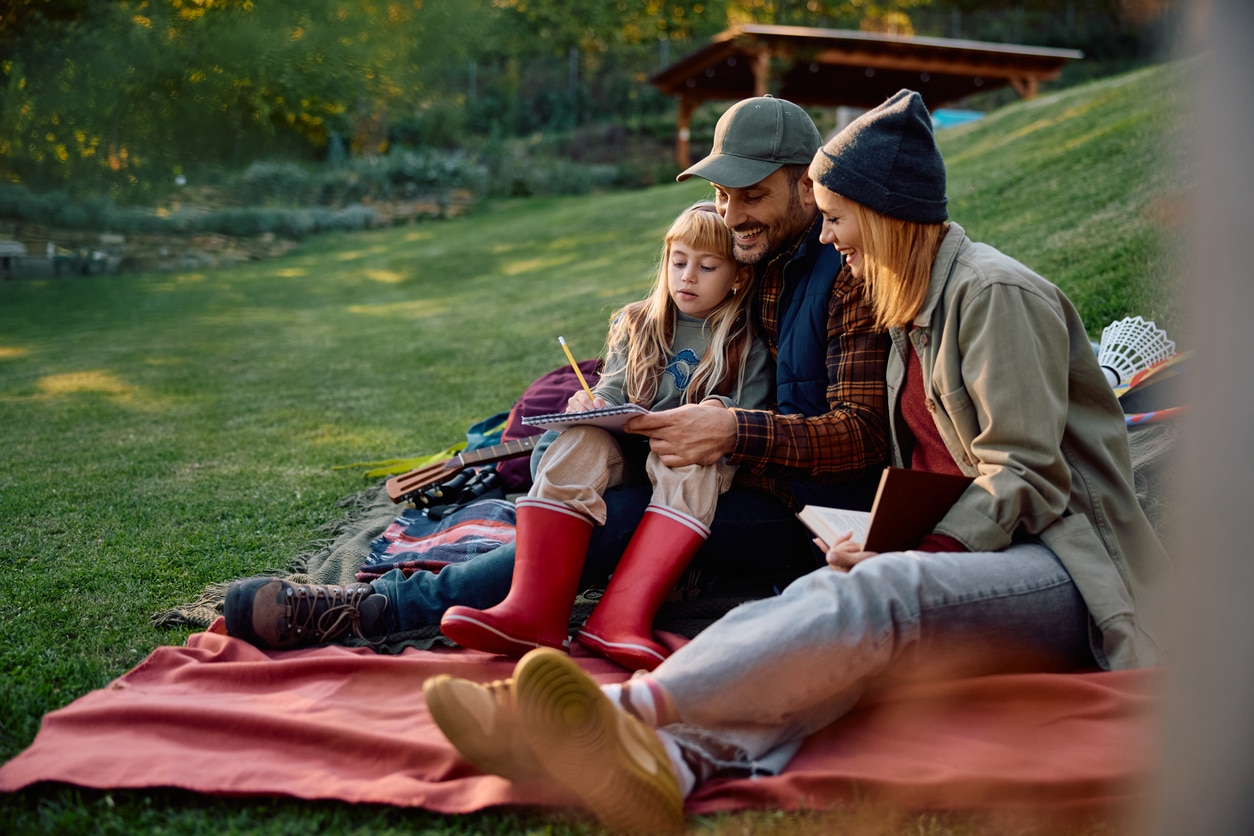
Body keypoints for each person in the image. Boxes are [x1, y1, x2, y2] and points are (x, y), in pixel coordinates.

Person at [422, 89, 1173, 834]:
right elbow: (925, 464)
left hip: (1067, 563)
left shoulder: (994, 295)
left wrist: (907, 547)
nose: (831, 239)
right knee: (811, 610)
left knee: (878, 591)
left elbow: (1024, 476)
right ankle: (675, 764)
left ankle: (605, 716)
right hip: (982, 555)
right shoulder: (911, 307)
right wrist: (872, 530)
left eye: (838, 219)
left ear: (883, 215)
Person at [222, 95, 891, 652]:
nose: (731, 213)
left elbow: (862, 438)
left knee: (615, 517)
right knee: (568, 444)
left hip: (797, 511)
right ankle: (528, 607)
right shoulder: (758, 256)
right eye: (721, 193)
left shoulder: (845, 274)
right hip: (719, 461)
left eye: (751, 194)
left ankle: (376, 610)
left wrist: (731, 431)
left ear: (807, 183)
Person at [438, 201, 772, 671]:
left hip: (685, 456)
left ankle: (618, 618)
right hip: (626, 449)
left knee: (691, 462)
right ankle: (533, 612)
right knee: (582, 440)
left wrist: (712, 412)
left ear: (737, 276)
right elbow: (612, 387)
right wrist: (592, 403)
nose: (687, 277)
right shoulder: (638, 323)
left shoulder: (744, 339)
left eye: (707, 266)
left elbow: (748, 411)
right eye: (679, 262)